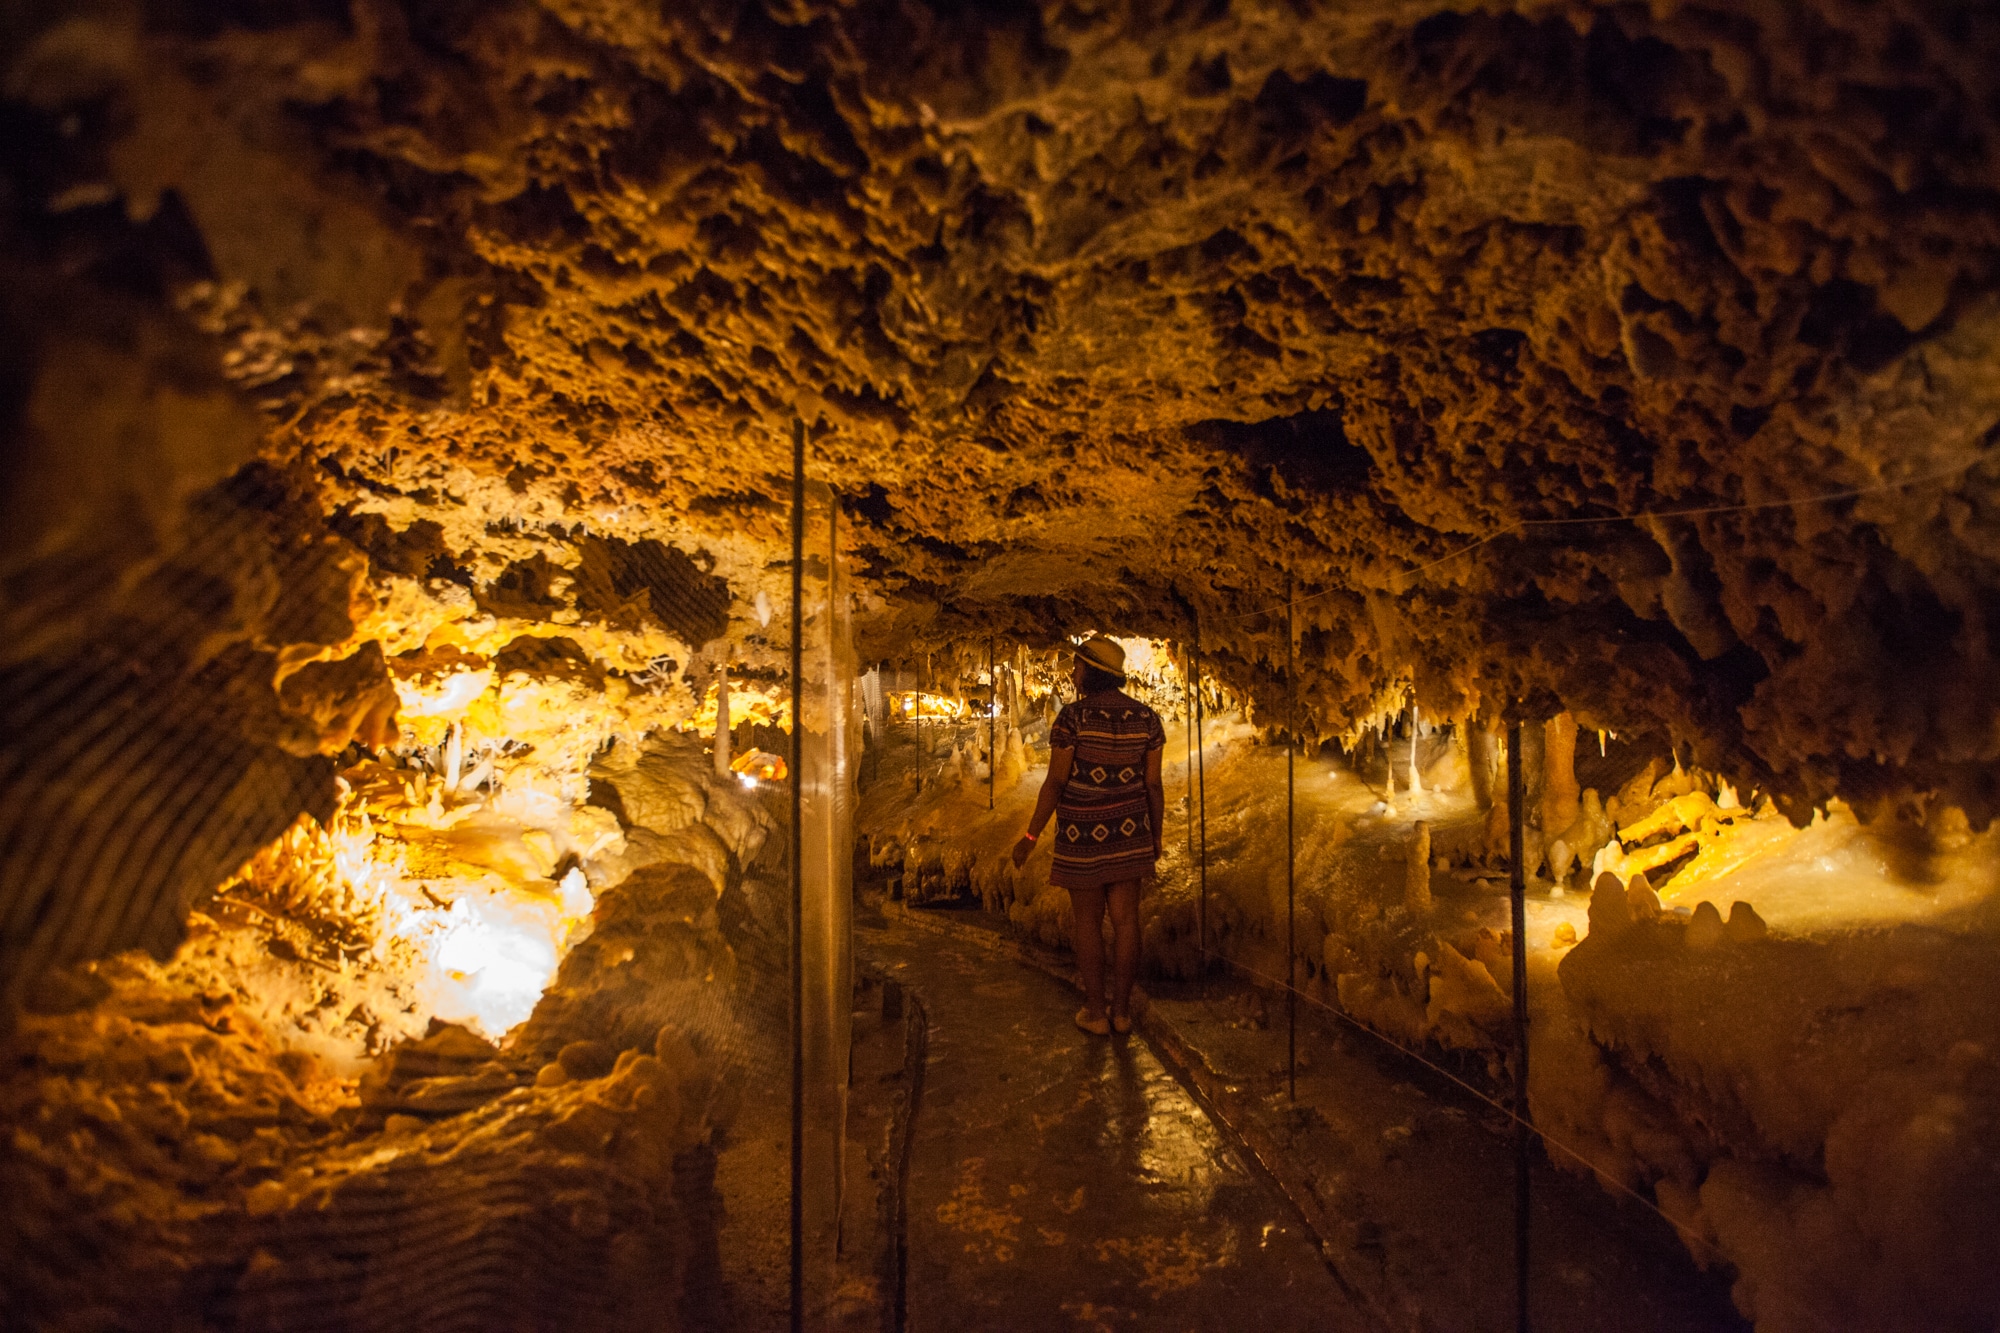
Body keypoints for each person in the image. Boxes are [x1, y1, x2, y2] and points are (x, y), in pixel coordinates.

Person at [1011, 637, 1165, 1035]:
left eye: (1077, 667)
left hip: (1082, 837)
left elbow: (1056, 782)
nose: (1073, 674)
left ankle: (1095, 1013)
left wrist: (1030, 836)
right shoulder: (1147, 719)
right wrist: (1155, 836)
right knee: (1127, 922)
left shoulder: (1072, 719)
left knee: (1087, 924)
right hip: (1130, 833)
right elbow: (1153, 786)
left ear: (1091, 672)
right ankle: (1122, 1012)